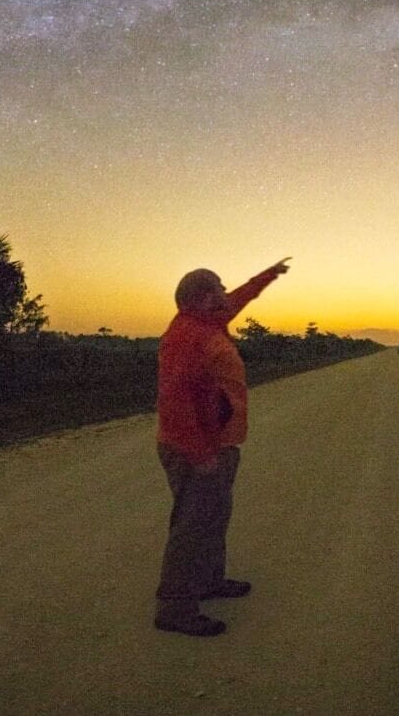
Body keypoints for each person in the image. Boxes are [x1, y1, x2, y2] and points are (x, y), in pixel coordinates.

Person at [153, 257, 290, 636]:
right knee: (192, 527)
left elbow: (240, 299)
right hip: (195, 449)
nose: (225, 294)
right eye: (218, 287)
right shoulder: (185, 338)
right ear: (199, 297)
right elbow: (176, 404)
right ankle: (175, 608)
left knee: (214, 517)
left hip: (219, 442)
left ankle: (210, 581)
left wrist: (266, 276)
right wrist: (202, 456)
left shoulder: (209, 322)